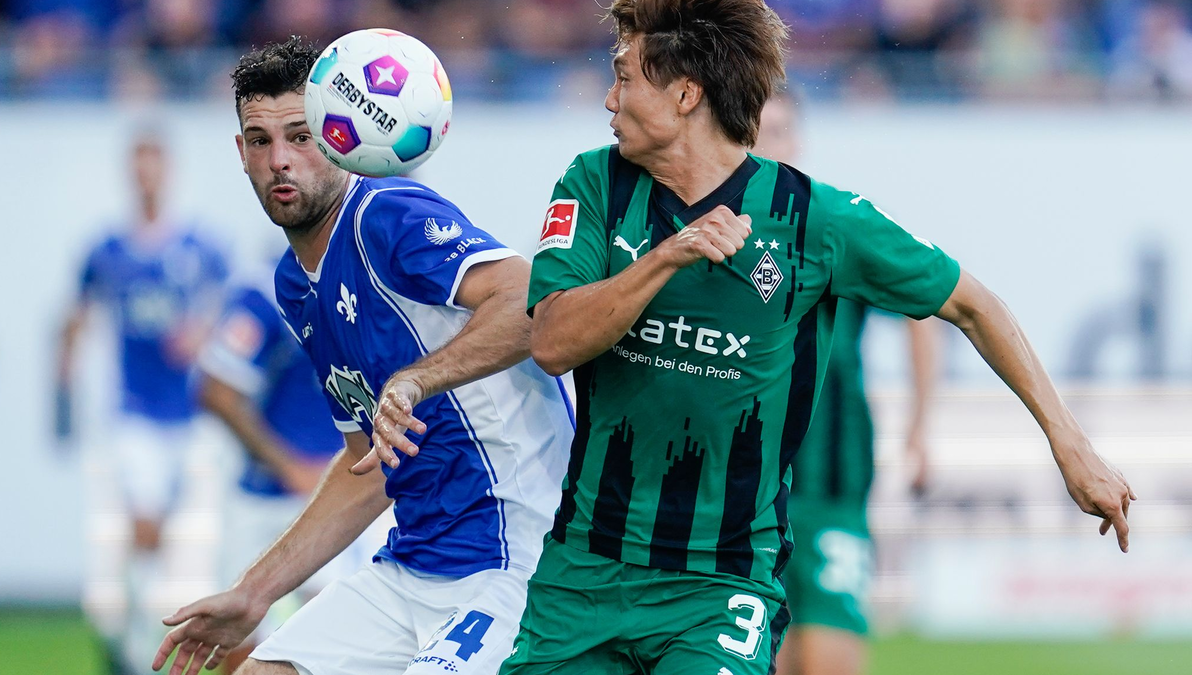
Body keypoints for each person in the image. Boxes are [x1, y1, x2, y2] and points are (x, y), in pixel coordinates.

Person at [499, 2, 1135, 674]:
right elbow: (553, 341)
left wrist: (1070, 442)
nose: (608, 97)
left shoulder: (816, 221)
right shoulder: (593, 183)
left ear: (685, 93)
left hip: (720, 586)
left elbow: (974, 305)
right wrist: (666, 257)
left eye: (624, 79)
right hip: (584, 574)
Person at [152, 37, 574, 675]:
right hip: (410, 568)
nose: (280, 161)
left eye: (299, 135)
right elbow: (369, 468)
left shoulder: (387, 212)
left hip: (517, 561)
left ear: (336, 135)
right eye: (260, 141)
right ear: (240, 154)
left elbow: (530, 301)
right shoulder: (294, 285)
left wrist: (413, 381)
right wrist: (255, 592)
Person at [754, 92, 936, 675]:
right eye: (757, 131)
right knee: (762, 655)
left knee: (831, 655)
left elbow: (924, 312)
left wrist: (919, 428)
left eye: (778, 130)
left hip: (834, 477)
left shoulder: (831, 230)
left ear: (797, 139)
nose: (767, 144)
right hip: (747, 491)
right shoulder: (712, 232)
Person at [58, 133, 229, 675]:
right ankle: (131, 643)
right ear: (131, 175)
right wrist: (63, 375)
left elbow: (234, 310)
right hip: (134, 413)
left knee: (194, 536)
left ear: (168, 173)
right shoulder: (107, 250)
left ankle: (172, 632)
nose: (147, 178)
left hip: (194, 413)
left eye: (155, 167)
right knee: (145, 527)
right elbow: (78, 315)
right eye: (139, 168)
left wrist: (202, 332)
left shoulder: (201, 247)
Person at [194, 263, 383, 673]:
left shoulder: (378, 289)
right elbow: (216, 389)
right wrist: (287, 464)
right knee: (237, 643)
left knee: (330, 635)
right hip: (263, 498)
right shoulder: (266, 294)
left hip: (339, 498)